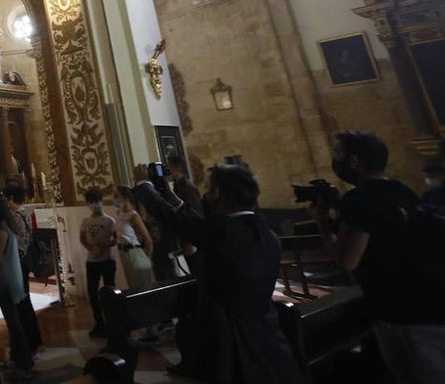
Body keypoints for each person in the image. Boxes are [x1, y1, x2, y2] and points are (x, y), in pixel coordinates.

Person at [132, 162, 305, 384]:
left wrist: (144, 184)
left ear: (217, 194)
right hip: (267, 334)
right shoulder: (265, 233)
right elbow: (199, 223)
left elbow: (172, 218)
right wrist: (175, 199)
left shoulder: (221, 232)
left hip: (231, 341)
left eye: (210, 188)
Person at [311, 131, 445, 383]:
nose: (335, 159)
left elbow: (346, 260)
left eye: (338, 153)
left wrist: (321, 221)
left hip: (401, 313)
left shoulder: (360, 200)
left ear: (353, 161)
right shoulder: (401, 191)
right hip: (431, 302)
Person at [0, 190, 35, 380]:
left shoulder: (1, 231)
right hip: (12, 278)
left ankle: (24, 362)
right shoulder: (7, 226)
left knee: (13, 323)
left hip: (5, 281)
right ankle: (17, 359)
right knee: (13, 321)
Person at [113, 185, 159, 343]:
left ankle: (152, 329)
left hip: (135, 253)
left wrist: (147, 258)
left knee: (143, 290)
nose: (114, 199)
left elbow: (148, 240)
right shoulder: (119, 213)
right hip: (124, 253)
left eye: (116, 195)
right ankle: (144, 326)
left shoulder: (134, 215)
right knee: (134, 290)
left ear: (125, 198)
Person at [3, 184, 43, 356]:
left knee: (20, 301)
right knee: (25, 300)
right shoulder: (26, 212)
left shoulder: (13, 216)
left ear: (11, 198)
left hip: (17, 260)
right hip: (25, 258)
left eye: (6, 198)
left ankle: (27, 341)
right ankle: (34, 338)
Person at [80, 186, 117, 338]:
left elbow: (115, 239)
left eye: (96, 201)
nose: (93, 204)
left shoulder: (109, 220)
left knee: (109, 291)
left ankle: (113, 322)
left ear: (101, 202)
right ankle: (99, 323)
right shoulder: (86, 221)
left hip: (107, 259)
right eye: (90, 202)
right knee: (92, 293)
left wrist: (103, 246)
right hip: (92, 261)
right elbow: (82, 237)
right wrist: (90, 247)